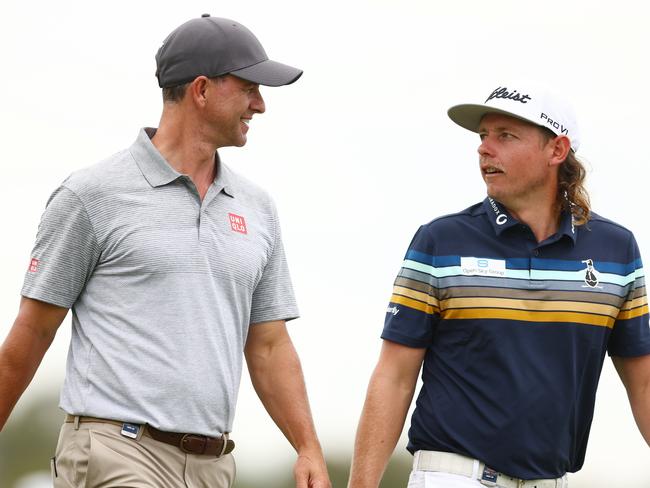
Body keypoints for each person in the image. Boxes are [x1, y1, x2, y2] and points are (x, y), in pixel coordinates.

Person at [0, 14, 331, 488]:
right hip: (116, 451)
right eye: (249, 88)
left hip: (213, 465)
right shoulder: (90, 195)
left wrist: (307, 447)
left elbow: (269, 344)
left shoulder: (258, 209)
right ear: (201, 90)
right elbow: (32, 333)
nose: (260, 104)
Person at [348, 82, 650, 488]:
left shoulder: (616, 251)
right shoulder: (440, 241)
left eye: (505, 136)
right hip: (451, 476)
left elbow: (644, 382)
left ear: (556, 151)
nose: (484, 149)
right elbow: (394, 376)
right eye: (483, 136)